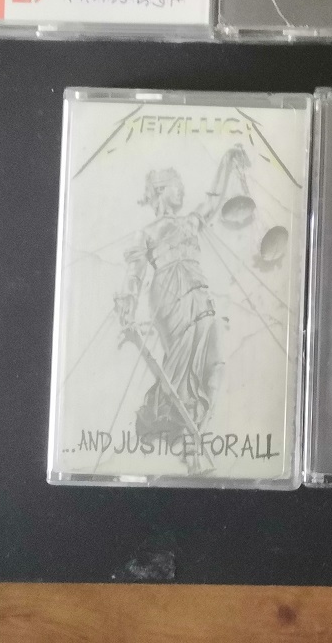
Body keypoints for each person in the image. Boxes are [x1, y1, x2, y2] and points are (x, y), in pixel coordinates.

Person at [119, 146, 249, 464]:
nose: (183, 192)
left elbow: (213, 201)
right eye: (177, 186)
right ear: (161, 190)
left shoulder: (190, 222)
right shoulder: (145, 233)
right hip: (168, 296)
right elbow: (134, 275)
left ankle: (197, 430)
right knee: (184, 366)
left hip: (198, 289)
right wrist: (127, 309)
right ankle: (189, 447)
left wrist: (226, 162)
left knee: (214, 361)